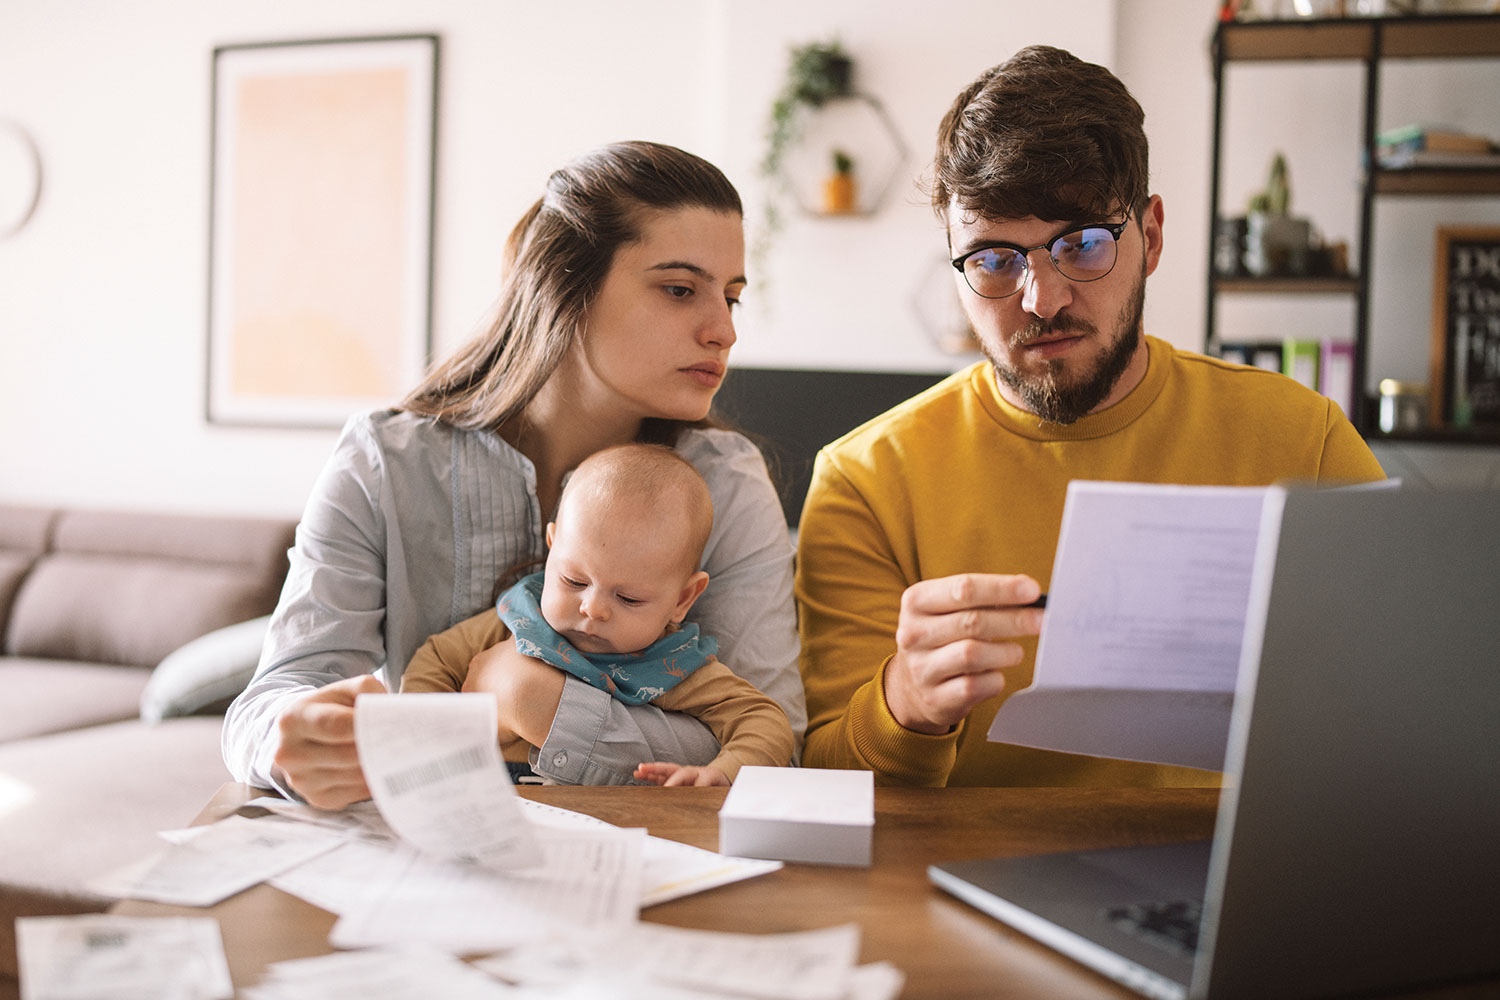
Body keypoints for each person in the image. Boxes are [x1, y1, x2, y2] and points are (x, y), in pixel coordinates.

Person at [795, 46, 1386, 788]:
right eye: (994, 259)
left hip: (1234, 880)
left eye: (1082, 245)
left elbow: (1407, 713)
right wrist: (904, 705)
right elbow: (821, 783)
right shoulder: (865, 481)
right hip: (958, 888)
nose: (1042, 299)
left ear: (1154, 238)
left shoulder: (1307, 441)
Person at [222, 141, 805, 809]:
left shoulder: (725, 483)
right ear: (564, 289)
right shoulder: (384, 461)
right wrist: (289, 740)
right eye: (680, 290)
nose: (724, 330)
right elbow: (269, 702)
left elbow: (774, 739)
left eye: (730, 296)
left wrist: (531, 701)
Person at [400, 442, 794, 786]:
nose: (593, 608)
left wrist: (725, 771)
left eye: (628, 598)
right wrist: (424, 743)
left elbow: (765, 722)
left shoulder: (673, 665)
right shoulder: (520, 618)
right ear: (552, 548)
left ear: (683, 598)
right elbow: (435, 660)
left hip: (611, 819)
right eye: (573, 580)